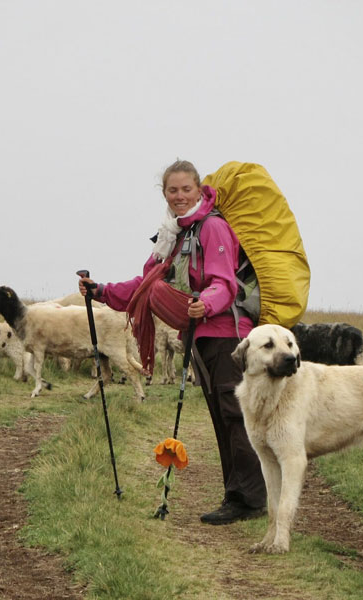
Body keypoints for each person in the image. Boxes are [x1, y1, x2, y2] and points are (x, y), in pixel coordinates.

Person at [78, 159, 266, 525]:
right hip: (200, 336)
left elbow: (224, 283)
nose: (179, 196)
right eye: (172, 190)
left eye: (186, 189)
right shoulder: (174, 235)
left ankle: (249, 499)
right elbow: (145, 285)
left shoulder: (212, 227)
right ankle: (237, 495)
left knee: (234, 416)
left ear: (199, 190)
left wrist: (205, 303)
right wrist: (101, 291)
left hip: (229, 335)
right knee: (222, 417)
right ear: (164, 193)